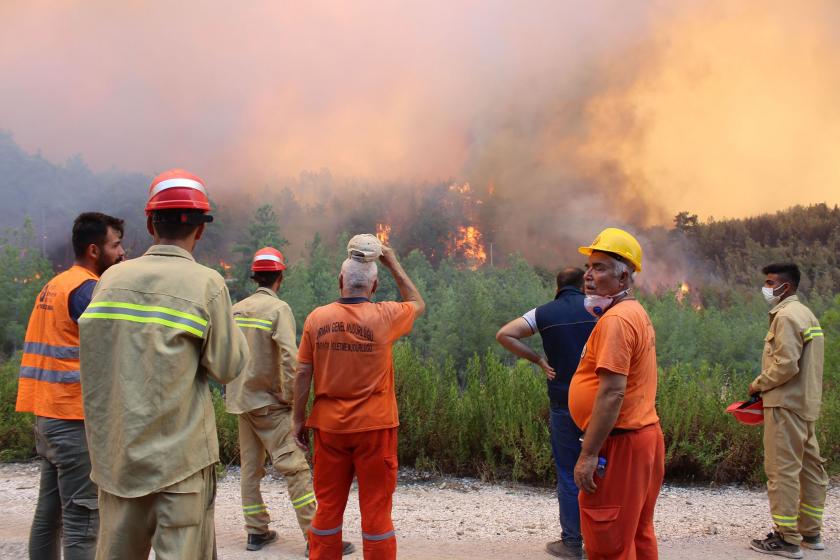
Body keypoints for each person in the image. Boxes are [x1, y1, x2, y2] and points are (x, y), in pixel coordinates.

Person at [78, 169, 249, 559]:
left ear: (150, 223)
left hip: (118, 462)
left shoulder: (109, 281)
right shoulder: (206, 285)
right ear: (200, 231)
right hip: (181, 467)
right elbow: (228, 366)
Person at [292, 235, 425, 560]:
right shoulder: (386, 316)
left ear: (341, 281)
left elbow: (302, 374)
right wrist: (392, 262)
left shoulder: (316, 318)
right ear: (374, 286)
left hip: (329, 430)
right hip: (374, 429)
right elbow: (418, 302)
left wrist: (298, 420)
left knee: (326, 510)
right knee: (377, 511)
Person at [225, 247, 354, 555]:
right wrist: (289, 397)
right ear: (280, 277)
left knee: (250, 469)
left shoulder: (236, 309)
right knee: (295, 469)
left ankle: (256, 532)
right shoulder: (278, 309)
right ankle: (315, 538)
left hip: (242, 402)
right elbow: (288, 358)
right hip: (270, 404)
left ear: (255, 276)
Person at [16, 212, 125, 560]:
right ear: (94, 250)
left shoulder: (55, 285)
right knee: (83, 519)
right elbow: (117, 344)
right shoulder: (87, 291)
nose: (122, 252)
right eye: (116, 244)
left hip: (47, 417)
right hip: (73, 420)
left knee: (49, 515)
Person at [569, 227, 664, 560]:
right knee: (636, 534)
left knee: (608, 541)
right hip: (641, 439)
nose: (589, 276)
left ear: (624, 277)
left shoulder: (617, 321)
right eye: (588, 268)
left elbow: (611, 393)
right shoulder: (632, 312)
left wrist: (588, 454)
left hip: (621, 445)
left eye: (600, 268)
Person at [495, 268, 595, 559]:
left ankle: (572, 543)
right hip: (598, 403)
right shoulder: (599, 309)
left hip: (563, 402)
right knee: (602, 467)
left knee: (567, 471)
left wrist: (538, 359)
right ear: (581, 285)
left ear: (557, 285)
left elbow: (504, 334)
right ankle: (603, 539)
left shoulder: (543, 313)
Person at [748, 263, 827, 558]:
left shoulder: (785, 316)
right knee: (811, 471)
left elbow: (785, 364)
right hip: (806, 405)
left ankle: (786, 539)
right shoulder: (806, 314)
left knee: (782, 471)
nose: (766, 288)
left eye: (770, 282)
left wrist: (757, 385)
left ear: (787, 287)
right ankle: (811, 532)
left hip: (785, 404)